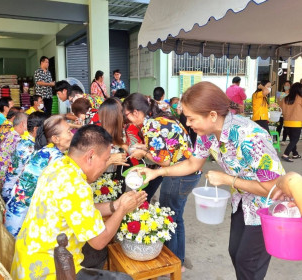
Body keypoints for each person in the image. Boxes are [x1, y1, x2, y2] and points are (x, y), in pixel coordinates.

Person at [136, 82, 285, 279]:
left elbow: (274, 188)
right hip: (242, 203)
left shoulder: (250, 136)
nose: (187, 123)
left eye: (191, 118)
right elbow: (192, 164)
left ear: (212, 115)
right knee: (236, 253)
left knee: (248, 263)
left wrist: (227, 179)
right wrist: (157, 173)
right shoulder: (207, 136)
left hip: (268, 208)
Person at [10, 125, 147, 279]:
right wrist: (122, 209)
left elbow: (81, 210)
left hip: (27, 260)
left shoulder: (60, 164)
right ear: (90, 156)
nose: (106, 164)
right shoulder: (77, 186)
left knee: (98, 254)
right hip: (51, 270)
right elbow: (99, 241)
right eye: (106, 159)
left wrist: (115, 205)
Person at [123, 93, 200, 271]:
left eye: (127, 116)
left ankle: (173, 263)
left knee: (170, 216)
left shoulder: (151, 124)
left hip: (179, 174)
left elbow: (164, 161)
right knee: (176, 216)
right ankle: (178, 260)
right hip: (189, 171)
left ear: (135, 112)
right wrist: (145, 148)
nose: (128, 120)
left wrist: (143, 154)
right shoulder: (161, 117)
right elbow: (167, 147)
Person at [4, 115, 73, 236]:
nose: (73, 134)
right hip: (22, 226)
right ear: (55, 138)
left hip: (14, 214)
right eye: (68, 131)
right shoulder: (55, 158)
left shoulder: (45, 151)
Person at [2, 112, 46, 204]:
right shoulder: (29, 149)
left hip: (9, 188)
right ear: (36, 129)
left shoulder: (25, 142)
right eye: (47, 128)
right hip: (13, 197)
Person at [0, 112, 28, 184]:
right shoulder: (17, 140)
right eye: (28, 124)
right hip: (5, 180)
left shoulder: (11, 134)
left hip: (0, 174)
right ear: (22, 124)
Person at [279, 82, 302, 162]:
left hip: (286, 122)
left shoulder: (285, 98)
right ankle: (285, 154)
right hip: (296, 122)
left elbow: (280, 108)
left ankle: (295, 154)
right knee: (295, 139)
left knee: (292, 139)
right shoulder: (300, 98)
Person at [277, 80, 291, 145]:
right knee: (279, 126)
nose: (286, 86)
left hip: (288, 113)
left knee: (286, 127)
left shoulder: (292, 95)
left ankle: (284, 140)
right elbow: (278, 103)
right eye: (285, 85)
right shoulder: (280, 94)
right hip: (280, 113)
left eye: (288, 85)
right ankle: (276, 139)